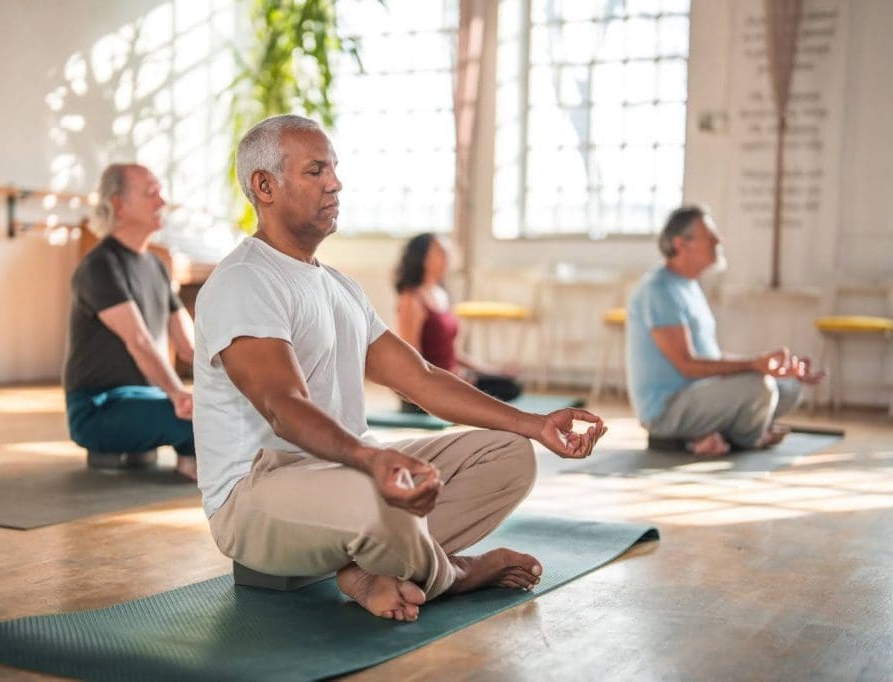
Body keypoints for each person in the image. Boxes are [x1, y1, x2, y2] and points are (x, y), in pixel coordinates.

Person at [193, 114, 607, 622]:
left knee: (510, 455)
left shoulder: (340, 287)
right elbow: (284, 407)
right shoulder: (244, 281)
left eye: (335, 169)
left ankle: (369, 566)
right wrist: (370, 459)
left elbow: (423, 379)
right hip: (254, 496)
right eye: (316, 170)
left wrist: (534, 424)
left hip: (343, 475)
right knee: (383, 501)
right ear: (265, 186)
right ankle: (450, 575)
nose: (335, 182)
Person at [626, 205, 825, 456]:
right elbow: (688, 365)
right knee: (759, 387)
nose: (718, 240)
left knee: (788, 385)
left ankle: (714, 435)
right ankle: (746, 438)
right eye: (709, 236)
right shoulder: (659, 290)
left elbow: (711, 357)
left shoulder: (688, 286)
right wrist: (753, 366)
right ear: (681, 244)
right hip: (667, 409)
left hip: (701, 393)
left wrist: (770, 366)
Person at [62, 163, 197, 479]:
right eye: (151, 193)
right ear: (118, 204)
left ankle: (187, 450)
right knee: (203, 418)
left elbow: (190, 346)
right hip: (98, 408)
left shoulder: (157, 266)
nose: (161, 202)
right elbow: (139, 341)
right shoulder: (100, 266)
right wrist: (179, 394)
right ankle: (191, 459)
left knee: (222, 411)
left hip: (147, 398)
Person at [394, 233, 522, 412]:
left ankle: (462, 395)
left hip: (452, 380)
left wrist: (493, 370)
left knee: (509, 386)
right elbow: (412, 357)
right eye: (440, 253)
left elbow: (453, 353)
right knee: (499, 394)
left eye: (447, 253)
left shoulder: (441, 294)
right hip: (427, 389)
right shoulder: (411, 299)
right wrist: (452, 379)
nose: (447, 258)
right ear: (421, 257)